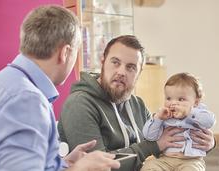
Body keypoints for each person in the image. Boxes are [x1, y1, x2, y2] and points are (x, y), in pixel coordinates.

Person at [0, 5, 120, 171]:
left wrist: (62, 164)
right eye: (76, 52)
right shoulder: (26, 99)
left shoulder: (5, 82)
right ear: (65, 53)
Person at [57, 35, 215, 171]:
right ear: (103, 62)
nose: (121, 72)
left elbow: (167, 147)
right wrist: (153, 146)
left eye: (131, 67)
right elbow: (98, 167)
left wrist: (206, 143)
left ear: (139, 73)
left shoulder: (137, 104)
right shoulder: (80, 104)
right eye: (115, 62)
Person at [141, 72, 216, 171]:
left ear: (196, 102)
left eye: (181, 99)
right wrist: (158, 119)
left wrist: (189, 112)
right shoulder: (164, 116)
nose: (173, 103)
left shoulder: (199, 113)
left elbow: (209, 121)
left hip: (191, 160)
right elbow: (149, 136)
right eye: (168, 98)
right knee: (149, 167)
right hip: (164, 159)